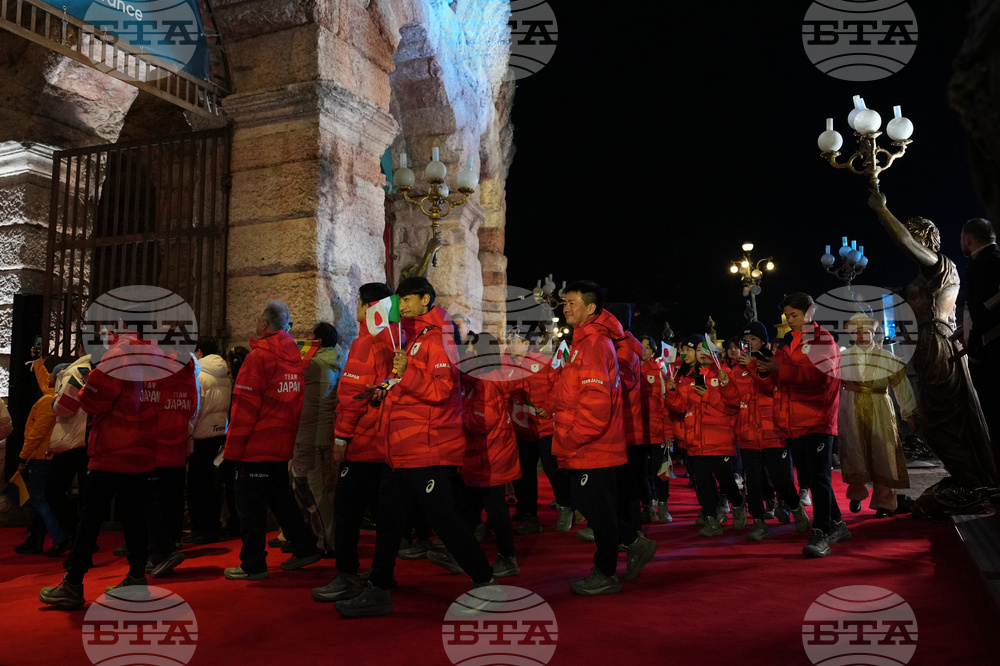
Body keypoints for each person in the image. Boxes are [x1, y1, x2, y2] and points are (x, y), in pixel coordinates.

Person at [335, 277, 496, 617]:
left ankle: (485, 581)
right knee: (390, 519)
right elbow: (409, 384)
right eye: (399, 299)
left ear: (425, 300)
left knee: (445, 519)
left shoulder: (438, 338)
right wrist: (388, 387)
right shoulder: (415, 336)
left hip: (428, 446)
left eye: (408, 299)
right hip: (401, 448)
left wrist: (405, 374)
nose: (401, 305)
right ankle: (380, 586)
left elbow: (441, 390)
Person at [869, 192, 997, 516]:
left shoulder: (938, 264)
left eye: (914, 234)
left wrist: (883, 210)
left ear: (925, 239)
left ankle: (972, 483)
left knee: (939, 422)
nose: (909, 239)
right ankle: (972, 479)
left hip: (936, 347)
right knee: (951, 419)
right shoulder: (948, 270)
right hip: (942, 344)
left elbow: (906, 244)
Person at [528, 281, 656, 596]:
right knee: (591, 503)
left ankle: (606, 571)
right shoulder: (583, 342)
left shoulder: (596, 344)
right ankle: (634, 543)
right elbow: (571, 392)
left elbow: (597, 403)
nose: (565, 307)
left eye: (571, 302)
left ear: (591, 307)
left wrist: (572, 436)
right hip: (584, 444)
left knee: (596, 508)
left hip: (592, 444)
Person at [39, 330, 164, 609]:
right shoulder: (156, 358)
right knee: (135, 518)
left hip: (112, 449)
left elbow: (92, 401)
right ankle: (135, 579)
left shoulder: (118, 355)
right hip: (142, 448)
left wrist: (85, 386)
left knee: (90, 519)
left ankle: (72, 584)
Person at [222, 300, 321, 580]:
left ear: (264, 324)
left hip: (255, 447)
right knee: (282, 501)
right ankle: (304, 546)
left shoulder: (258, 357)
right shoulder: (294, 357)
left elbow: (245, 408)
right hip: (280, 445)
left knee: (249, 508)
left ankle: (253, 564)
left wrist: (233, 451)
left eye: (257, 319)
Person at [312, 283, 397, 603]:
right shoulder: (396, 339)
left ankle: (346, 574)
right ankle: (383, 574)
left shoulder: (366, 342)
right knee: (385, 514)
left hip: (362, 442)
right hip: (387, 442)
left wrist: (342, 437)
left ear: (366, 306)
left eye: (358, 303)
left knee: (347, 510)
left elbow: (353, 396)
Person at [758, 292, 845, 558]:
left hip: (817, 418)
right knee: (811, 477)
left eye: (794, 315)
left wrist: (779, 368)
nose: (789, 320)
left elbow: (820, 376)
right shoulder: (788, 344)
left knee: (818, 478)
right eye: (787, 315)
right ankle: (838, 524)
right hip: (795, 420)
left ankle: (821, 531)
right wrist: (764, 371)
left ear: (810, 313)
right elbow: (778, 384)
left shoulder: (821, 340)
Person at [719, 322, 808, 541]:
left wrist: (753, 365)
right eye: (745, 341)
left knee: (783, 480)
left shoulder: (772, 363)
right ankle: (758, 522)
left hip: (773, 432)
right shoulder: (737, 369)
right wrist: (725, 384)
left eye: (753, 340)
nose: (748, 344)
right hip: (748, 435)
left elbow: (770, 387)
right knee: (754, 484)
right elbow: (733, 400)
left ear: (764, 342)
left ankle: (796, 509)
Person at [449, 332, 521, 577]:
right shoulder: (481, 377)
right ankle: (461, 553)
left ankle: (507, 557)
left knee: (496, 509)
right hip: (484, 455)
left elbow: (483, 421)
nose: (467, 352)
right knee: (471, 508)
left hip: (490, 456)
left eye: (471, 348)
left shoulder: (487, 380)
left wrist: (457, 421)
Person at [839, 313, 916, 518]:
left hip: (880, 408)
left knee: (884, 453)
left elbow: (902, 387)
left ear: (874, 333)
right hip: (851, 409)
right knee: (854, 451)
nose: (863, 335)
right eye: (858, 331)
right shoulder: (843, 358)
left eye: (867, 331)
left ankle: (884, 503)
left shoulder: (887, 358)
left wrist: (910, 413)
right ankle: (856, 494)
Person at [665, 338, 744, 537]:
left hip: (719, 438)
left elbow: (733, 404)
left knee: (725, 479)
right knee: (703, 483)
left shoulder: (724, 375)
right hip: (695, 439)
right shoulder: (690, 377)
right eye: (698, 349)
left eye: (705, 349)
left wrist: (710, 394)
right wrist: (672, 392)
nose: (701, 353)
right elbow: (680, 406)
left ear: (715, 353)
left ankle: (737, 505)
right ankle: (711, 518)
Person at [507, 328, 570, 534]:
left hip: (545, 427)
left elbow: (560, 387)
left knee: (553, 471)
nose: (509, 344)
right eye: (507, 340)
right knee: (523, 474)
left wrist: (550, 406)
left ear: (526, 344)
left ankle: (566, 506)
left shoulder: (544, 362)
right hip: (522, 429)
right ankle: (528, 513)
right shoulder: (504, 365)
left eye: (514, 340)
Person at [147, 354, 199, 578]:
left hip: (154, 445)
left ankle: (159, 552)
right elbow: (193, 407)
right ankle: (169, 545)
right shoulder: (188, 371)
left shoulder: (153, 368)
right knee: (171, 499)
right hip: (177, 442)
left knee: (151, 501)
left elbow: (145, 403)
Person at [292, 322, 342, 557]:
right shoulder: (337, 358)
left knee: (311, 489)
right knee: (321, 490)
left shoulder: (312, 363)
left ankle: (327, 540)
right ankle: (323, 536)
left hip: (309, 435)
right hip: (325, 434)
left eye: (311, 336)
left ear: (318, 341)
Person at [14, 358, 67, 555]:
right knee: (40, 499)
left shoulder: (47, 401)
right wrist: (38, 363)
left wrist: (23, 457)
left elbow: (37, 433)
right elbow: (45, 381)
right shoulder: (56, 396)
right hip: (48, 456)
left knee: (39, 500)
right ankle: (34, 541)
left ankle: (60, 537)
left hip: (40, 457)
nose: (49, 377)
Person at [961, 217, 1000, 462]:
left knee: (995, 414)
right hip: (987, 345)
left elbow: (986, 308)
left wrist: (975, 341)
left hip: (992, 349)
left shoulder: (989, 262)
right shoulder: (988, 261)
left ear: (968, 239)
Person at [48, 346, 92, 554]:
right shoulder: (104, 369)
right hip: (93, 439)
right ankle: (86, 539)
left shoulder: (77, 370)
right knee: (88, 496)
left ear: (81, 348)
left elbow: (64, 407)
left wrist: (54, 401)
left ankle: (77, 536)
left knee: (53, 491)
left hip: (72, 439)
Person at [186, 339, 232, 544]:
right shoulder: (225, 374)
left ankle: (202, 527)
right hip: (220, 432)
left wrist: (188, 432)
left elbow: (195, 408)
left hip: (201, 436)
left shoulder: (200, 375)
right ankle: (213, 524)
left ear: (199, 352)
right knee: (213, 484)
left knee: (198, 484)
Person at [638, 335, 672, 523]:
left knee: (661, 471)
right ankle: (647, 506)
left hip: (657, 430)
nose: (644, 350)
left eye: (647, 347)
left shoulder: (659, 372)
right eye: (640, 347)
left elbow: (666, 403)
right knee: (641, 472)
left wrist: (668, 432)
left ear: (653, 351)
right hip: (637, 431)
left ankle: (663, 506)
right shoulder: (630, 369)